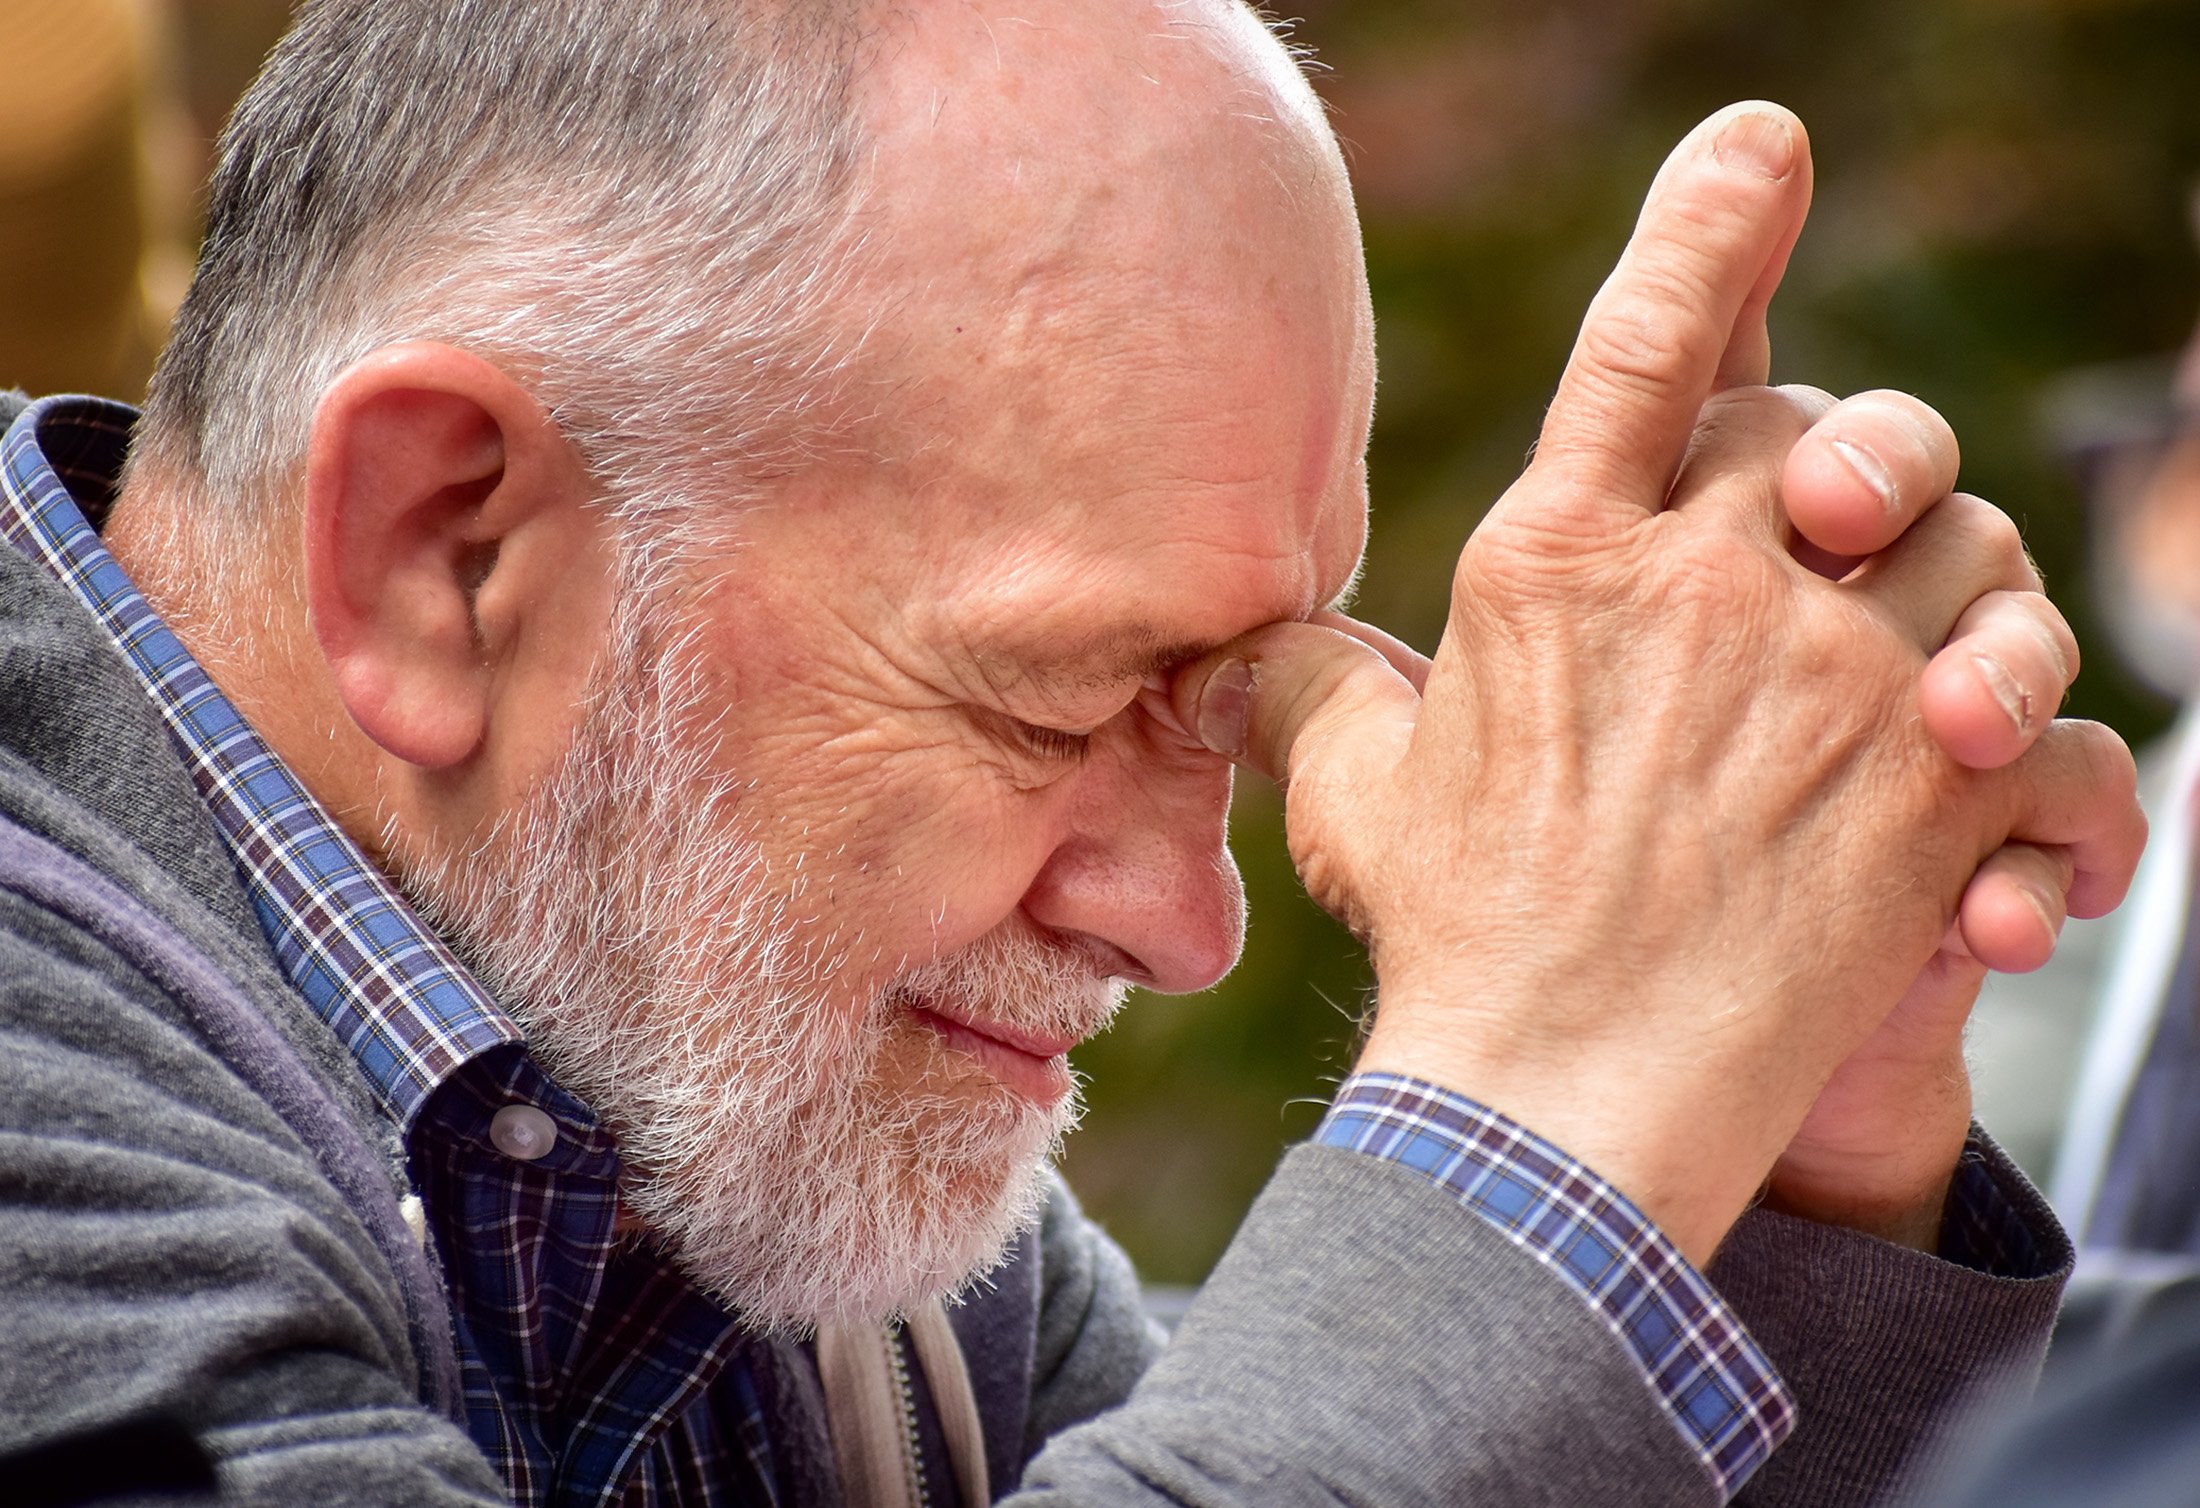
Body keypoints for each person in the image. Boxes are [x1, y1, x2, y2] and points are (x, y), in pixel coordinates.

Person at [0, 2, 2146, 1505]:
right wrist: (1559, 1095)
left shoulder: (675, 1056)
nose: (1192, 919)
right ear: (444, 547)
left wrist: (1768, 1138)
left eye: (1221, 709)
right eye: (1054, 699)